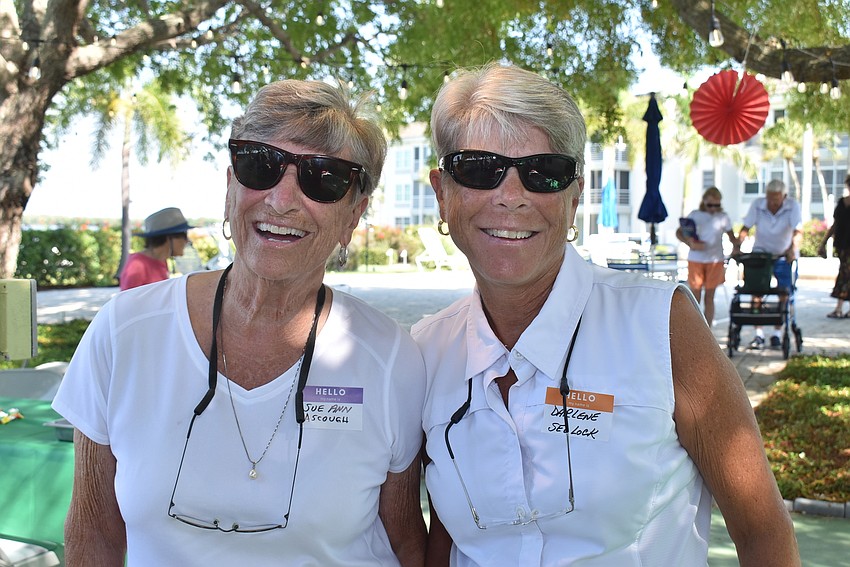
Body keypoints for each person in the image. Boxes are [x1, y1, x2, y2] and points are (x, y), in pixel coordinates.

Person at [412, 63, 798, 566]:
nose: (511, 196)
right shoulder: (424, 352)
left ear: (575, 195)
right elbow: (445, 537)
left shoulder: (662, 325)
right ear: (442, 192)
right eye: (478, 169)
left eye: (543, 172)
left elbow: (764, 534)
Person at [52, 80, 426, 566]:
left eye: (324, 178)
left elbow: (405, 541)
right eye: (260, 165)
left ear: (353, 215)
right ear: (231, 185)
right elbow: (93, 533)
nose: (282, 199)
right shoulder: (124, 335)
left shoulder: (391, 359)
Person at [733, 179, 803, 349]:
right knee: (756, 291)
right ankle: (759, 334)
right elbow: (746, 227)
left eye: (776, 199)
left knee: (784, 292)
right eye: (770, 198)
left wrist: (793, 249)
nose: (772, 202)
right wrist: (737, 246)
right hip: (761, 254)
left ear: (784, 196)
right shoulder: (758, 204)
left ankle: (778, 333)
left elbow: (797, 231)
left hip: (782, 255)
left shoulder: (792, 206)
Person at [676, 186, 738, 326]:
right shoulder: (695, 215)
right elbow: (679, 232)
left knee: (710, 297)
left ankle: (707, 329)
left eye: (716, 205)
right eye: (710, 205)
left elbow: (732, 237)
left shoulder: (723, 217)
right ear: (704, 202)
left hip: (715, 260)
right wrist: (690, 243)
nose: (713, 208)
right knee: (695, 295)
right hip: (696, 259)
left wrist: (737, 244)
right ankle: (694, 327)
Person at [118, 207, 192, 290]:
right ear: (168, 238)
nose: (187, 241)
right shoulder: (137, 265)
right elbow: (127, 301)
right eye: (184, 235)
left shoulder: (161, 260)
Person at [818, 173, 850, 318]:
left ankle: (839, 308)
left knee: (845, 274)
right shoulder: (842, 203)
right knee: (844, 274)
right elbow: (835, 225)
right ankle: (839, 308)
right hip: (843, 245)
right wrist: (823, 243)